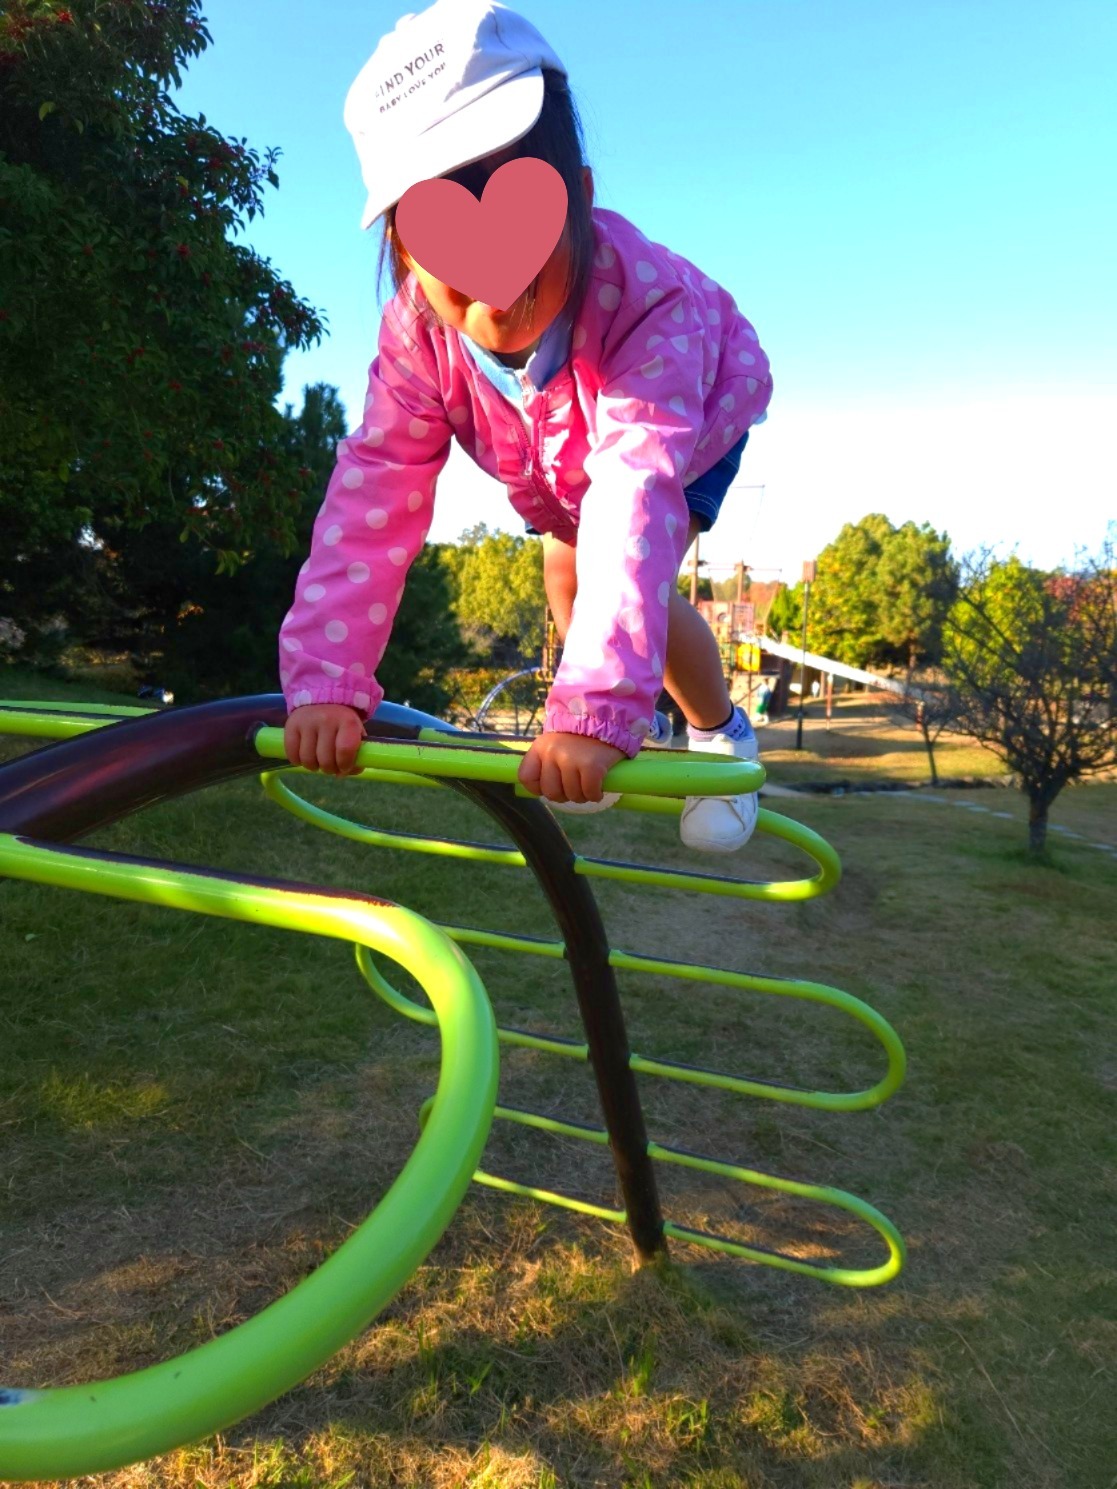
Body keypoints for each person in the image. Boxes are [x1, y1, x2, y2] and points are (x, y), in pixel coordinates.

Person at [279, 0, 774, 852]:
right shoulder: (415, 335)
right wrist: (327, 679)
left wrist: (592, 711)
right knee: (567, 585)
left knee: (628, 573)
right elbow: (373, 497)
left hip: (685, 421)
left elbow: (633, 498)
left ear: (579, 195)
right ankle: (624, 710)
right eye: (452, 259)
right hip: (553, 456)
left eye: (522, 242)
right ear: (403, 251)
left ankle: (717, 729)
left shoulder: (646, 301)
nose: (496, 289)